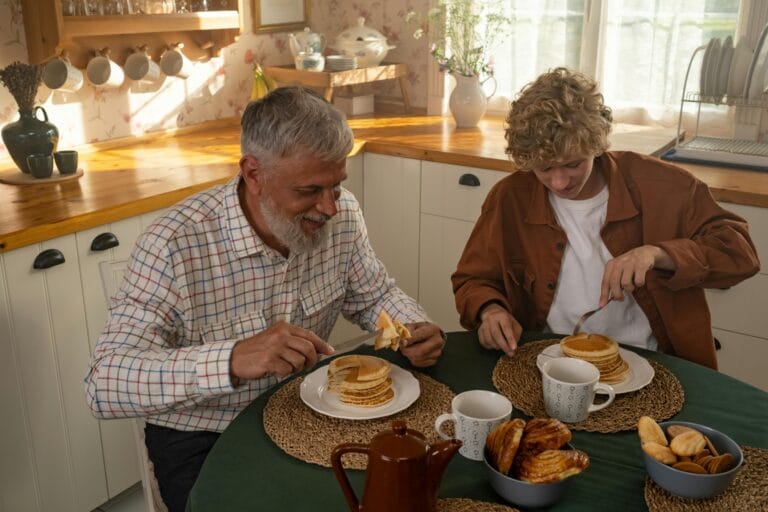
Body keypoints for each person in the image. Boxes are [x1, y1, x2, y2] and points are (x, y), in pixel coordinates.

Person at [85, 86, 445, 512]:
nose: (330, 207)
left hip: (304, 412)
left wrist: (412, 325)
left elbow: (373, 295)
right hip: (204, 435)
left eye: (337, 186)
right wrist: (233, 359)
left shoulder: (342, 212)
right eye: (310, 190)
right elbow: (104, 383)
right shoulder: (172, 245)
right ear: (254, 174)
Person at [452, 67, 760, 370]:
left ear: (596, 145)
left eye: (572, 164)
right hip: (549, 363)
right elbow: (473, 279)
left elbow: (741, 254)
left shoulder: (665, 186)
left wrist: (659, 254)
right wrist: (490, 311)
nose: (559, 183)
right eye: (544, 168)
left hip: (652, 365)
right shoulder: (511, 197)